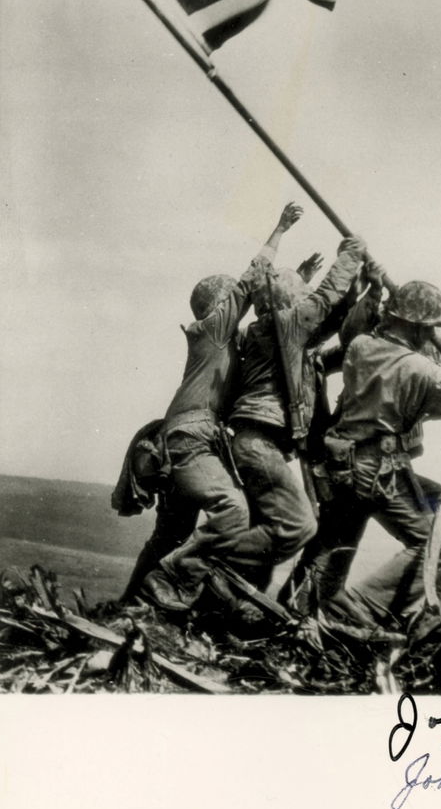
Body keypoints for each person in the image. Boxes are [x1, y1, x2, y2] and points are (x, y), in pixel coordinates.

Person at [154, 233, 369, 597]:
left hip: (252, 444)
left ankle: (213, 587)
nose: (306, 301)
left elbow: (328, 319)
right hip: (254, 444)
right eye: (300, 296)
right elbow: (323, 301)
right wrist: (350, 254)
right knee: (298, 526)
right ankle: (189, 569)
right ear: (289, 304)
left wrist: (361, 294)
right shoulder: (283, 326)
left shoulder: (271, 333)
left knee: (281, 526)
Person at [290, 279, 441, 609]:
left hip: (342, 464)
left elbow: (431, 403)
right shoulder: (420, 369)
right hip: (377, 470)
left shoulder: (360, 346)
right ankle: (362, 608)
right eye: (429, 328)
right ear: (417, 326)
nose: (430, 335)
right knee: (432, 547)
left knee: (333, 545)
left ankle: (300, 607)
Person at [133, 202, 303, 611]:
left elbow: (271, 314)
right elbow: (251, 279)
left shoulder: (224, 343)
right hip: (190, 440)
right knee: (233, 511)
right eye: (233, 302)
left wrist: (300, 280)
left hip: (186, 441)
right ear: (219, 305)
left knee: (170, 535)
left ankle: (132, 603)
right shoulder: (211, 330)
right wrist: (280, 229)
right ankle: (175, 584)